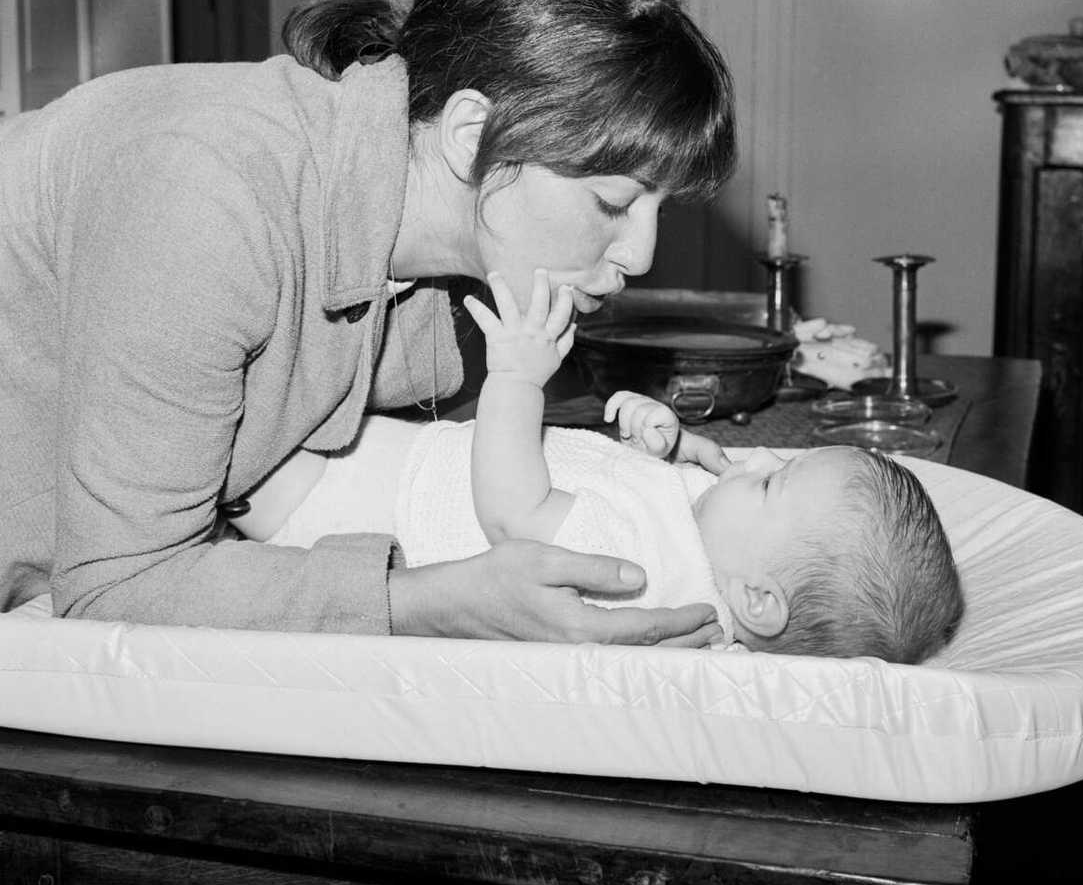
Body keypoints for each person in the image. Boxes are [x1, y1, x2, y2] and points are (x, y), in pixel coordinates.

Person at [0, 0, 736, 646]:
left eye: (658, 210)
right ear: (471, 134)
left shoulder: (440, 260)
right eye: (613, 202)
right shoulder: (203, 195)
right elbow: (115, 587)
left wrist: (636, 488)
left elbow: (390, 466)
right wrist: (429, 602)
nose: (639, 255)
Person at [244, 271, 965, 663]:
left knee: (236, 440)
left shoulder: (644, 567)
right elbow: (601, 490)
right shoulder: (699, 546)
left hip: (355, 502)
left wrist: (518, 383)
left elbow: (514, 514)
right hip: (389, 465)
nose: (767, 455)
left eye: (775, 481)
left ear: (759, 600)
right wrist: (664, 447)